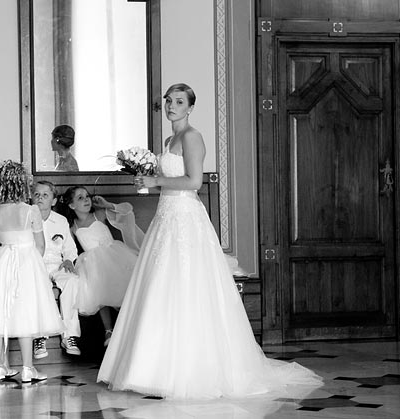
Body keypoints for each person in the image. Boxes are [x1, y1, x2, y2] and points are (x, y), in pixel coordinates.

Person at [97, 83, 323, 399]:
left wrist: (156, 179)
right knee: (159, 286)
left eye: (178, 101)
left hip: (186, 219)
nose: (171, 105)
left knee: (187, 285)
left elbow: (193, 182)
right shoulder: (168, 140)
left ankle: (188, 370)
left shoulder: (192, 136)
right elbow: (168, 182)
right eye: (168, 101)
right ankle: (151, 368)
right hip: (166, 217)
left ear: (190, 107)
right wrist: (148, 182)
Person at [0, 160, 64, 383]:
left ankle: (0, 367)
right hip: (26, 261)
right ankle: (28, 368)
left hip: (2, 262)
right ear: (24, 185)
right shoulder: (31, 211)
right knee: (25, 313)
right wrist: (30, 260)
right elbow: (40, 246)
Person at [59, 186, 143, 347]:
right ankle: (108, 331)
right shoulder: (73, 228)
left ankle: (130, 328)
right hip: (91, 263)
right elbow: (68, 247)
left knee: (123, 288)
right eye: (80, 198)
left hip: (114, 256)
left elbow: (127, 210)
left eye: (87, 196)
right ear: (71, 205)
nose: (86, 200)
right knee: (99, 293)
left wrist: (107, 204)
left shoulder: (99, 215)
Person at [31, 181, 82, 359]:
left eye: (45, 195)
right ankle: (39, 336)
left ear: (53, 201)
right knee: (39, 285)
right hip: (35, 265)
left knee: (72, 281)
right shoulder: (26, 217)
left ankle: (69, 336)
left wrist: (68, 259)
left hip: (57, 264)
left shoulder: (60, 221)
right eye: (36, 194)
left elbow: (69, 247)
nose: (40, 198)